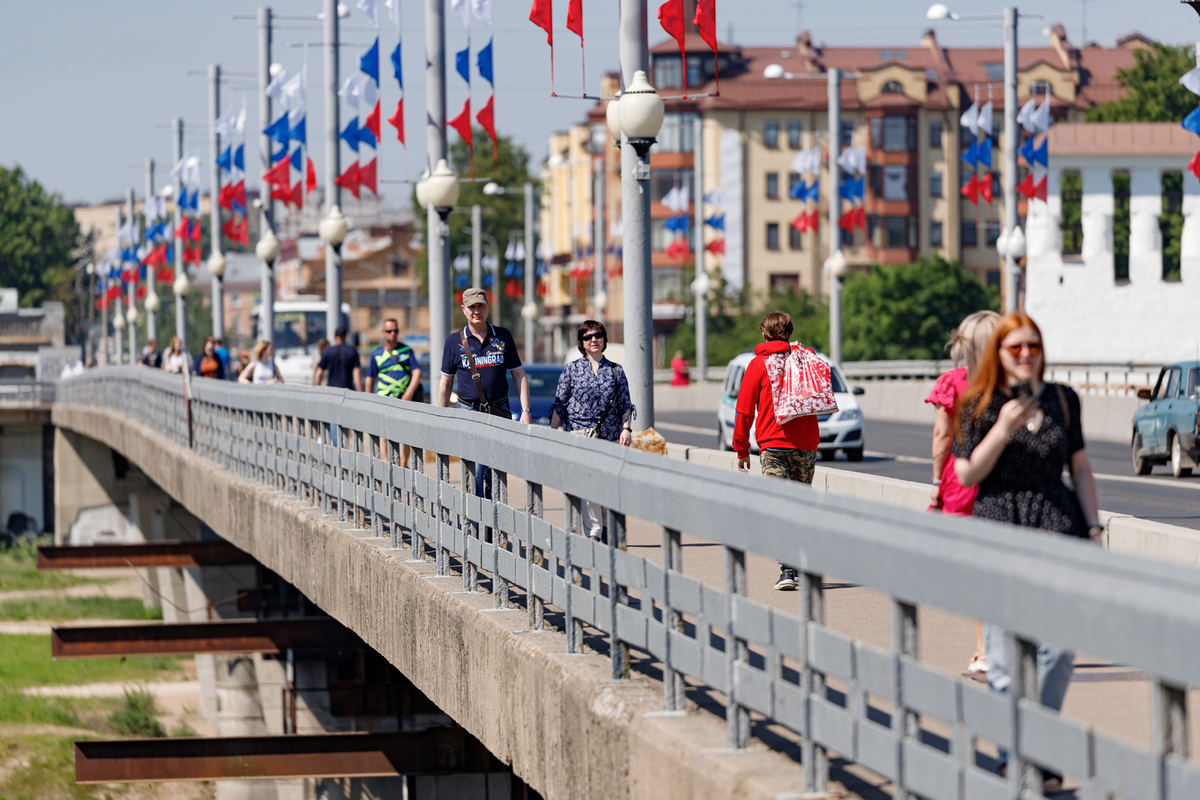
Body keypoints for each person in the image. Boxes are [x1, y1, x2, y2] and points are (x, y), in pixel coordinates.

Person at [952, 312, 1101, 794]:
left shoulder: (1063, 399)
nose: (1024, 355)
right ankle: (1016, 756)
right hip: (1000, 533)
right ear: (997, 352)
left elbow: (1079, 467)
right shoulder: (975, 404)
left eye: (1032, 346)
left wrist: (1094, 528)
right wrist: (1002, 428)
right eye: (1014, 347)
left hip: (1058, 529)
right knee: (1003, 655)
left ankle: (1040, 748)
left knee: (1056, 651)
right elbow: (967, 475)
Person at [925, 310, 1000, 673]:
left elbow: (942, 437)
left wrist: (938, 481)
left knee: (975, 569)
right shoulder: (1011, 384)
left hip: (962, 482)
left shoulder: (952, 382)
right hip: (1005, 479)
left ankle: (985, 648)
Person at [732, 311, 820, 591]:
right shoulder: (807, 357)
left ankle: (788, 568)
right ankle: (797, 561)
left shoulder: (758, 365)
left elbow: (744, 411)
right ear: (791, 333)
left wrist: (741, 449)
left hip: (772, 445)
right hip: (805, 445)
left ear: (763, 334)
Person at [438, 288, 531, 498]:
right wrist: (441, 418)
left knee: (495, 466)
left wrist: (526, 411)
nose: (476, 311)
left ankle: (491, 520)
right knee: (476, 467)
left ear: (487, 308)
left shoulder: (503, 335)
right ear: (464, 310)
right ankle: (479, 520)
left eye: (480, 306)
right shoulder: (454, 341)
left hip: (499, 410)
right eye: (472, 307)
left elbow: (518, 374)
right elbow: (445, 383)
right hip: (467, 411)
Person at [549, 320, 634, 540]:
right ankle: (595, 530)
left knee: (608, 485)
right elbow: (560, 404)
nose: (593, 340)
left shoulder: (616, 370)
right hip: (581, 435)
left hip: (611, 436)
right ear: (582, 343)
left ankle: (605, 525)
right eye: (588, 337)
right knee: (589, 484)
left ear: (604, 339)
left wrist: (627, 429)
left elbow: (625, 404)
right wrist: (551, 433)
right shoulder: (571, 370)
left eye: (597, 335)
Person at [365, 318, 423, 402]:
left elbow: (417, 372)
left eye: (395, 330)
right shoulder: (377, 354)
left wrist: (408, 394)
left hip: (403, 401)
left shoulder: (407, 350)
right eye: (389, 331)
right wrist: (368, 401)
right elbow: (370, 379)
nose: (393, 333)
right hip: (383, 400)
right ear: (383, 333)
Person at [314, 326, 363, 391]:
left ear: (334, 337)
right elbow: (357, 372)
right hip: (348, 390)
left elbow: (319, 373)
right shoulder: (352, 351)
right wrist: (360, 391)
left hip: (331, 391)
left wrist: (317, 390)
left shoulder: (327, 351)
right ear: (345, 337)